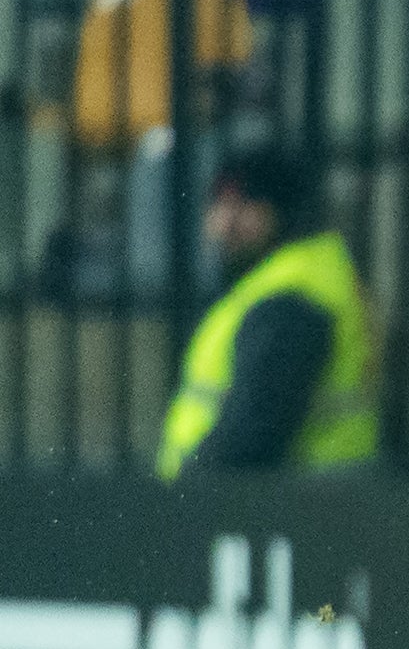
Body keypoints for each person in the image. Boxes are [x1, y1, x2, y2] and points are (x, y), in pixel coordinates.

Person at [157, 148, 378, 478]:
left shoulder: (290, 296)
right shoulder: (298, 276)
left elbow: (253, 431)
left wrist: (188, 496)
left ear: (282, 212)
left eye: (244, 206)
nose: (224, 223)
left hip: (285, 507)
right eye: (218, 204)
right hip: (306, 501)